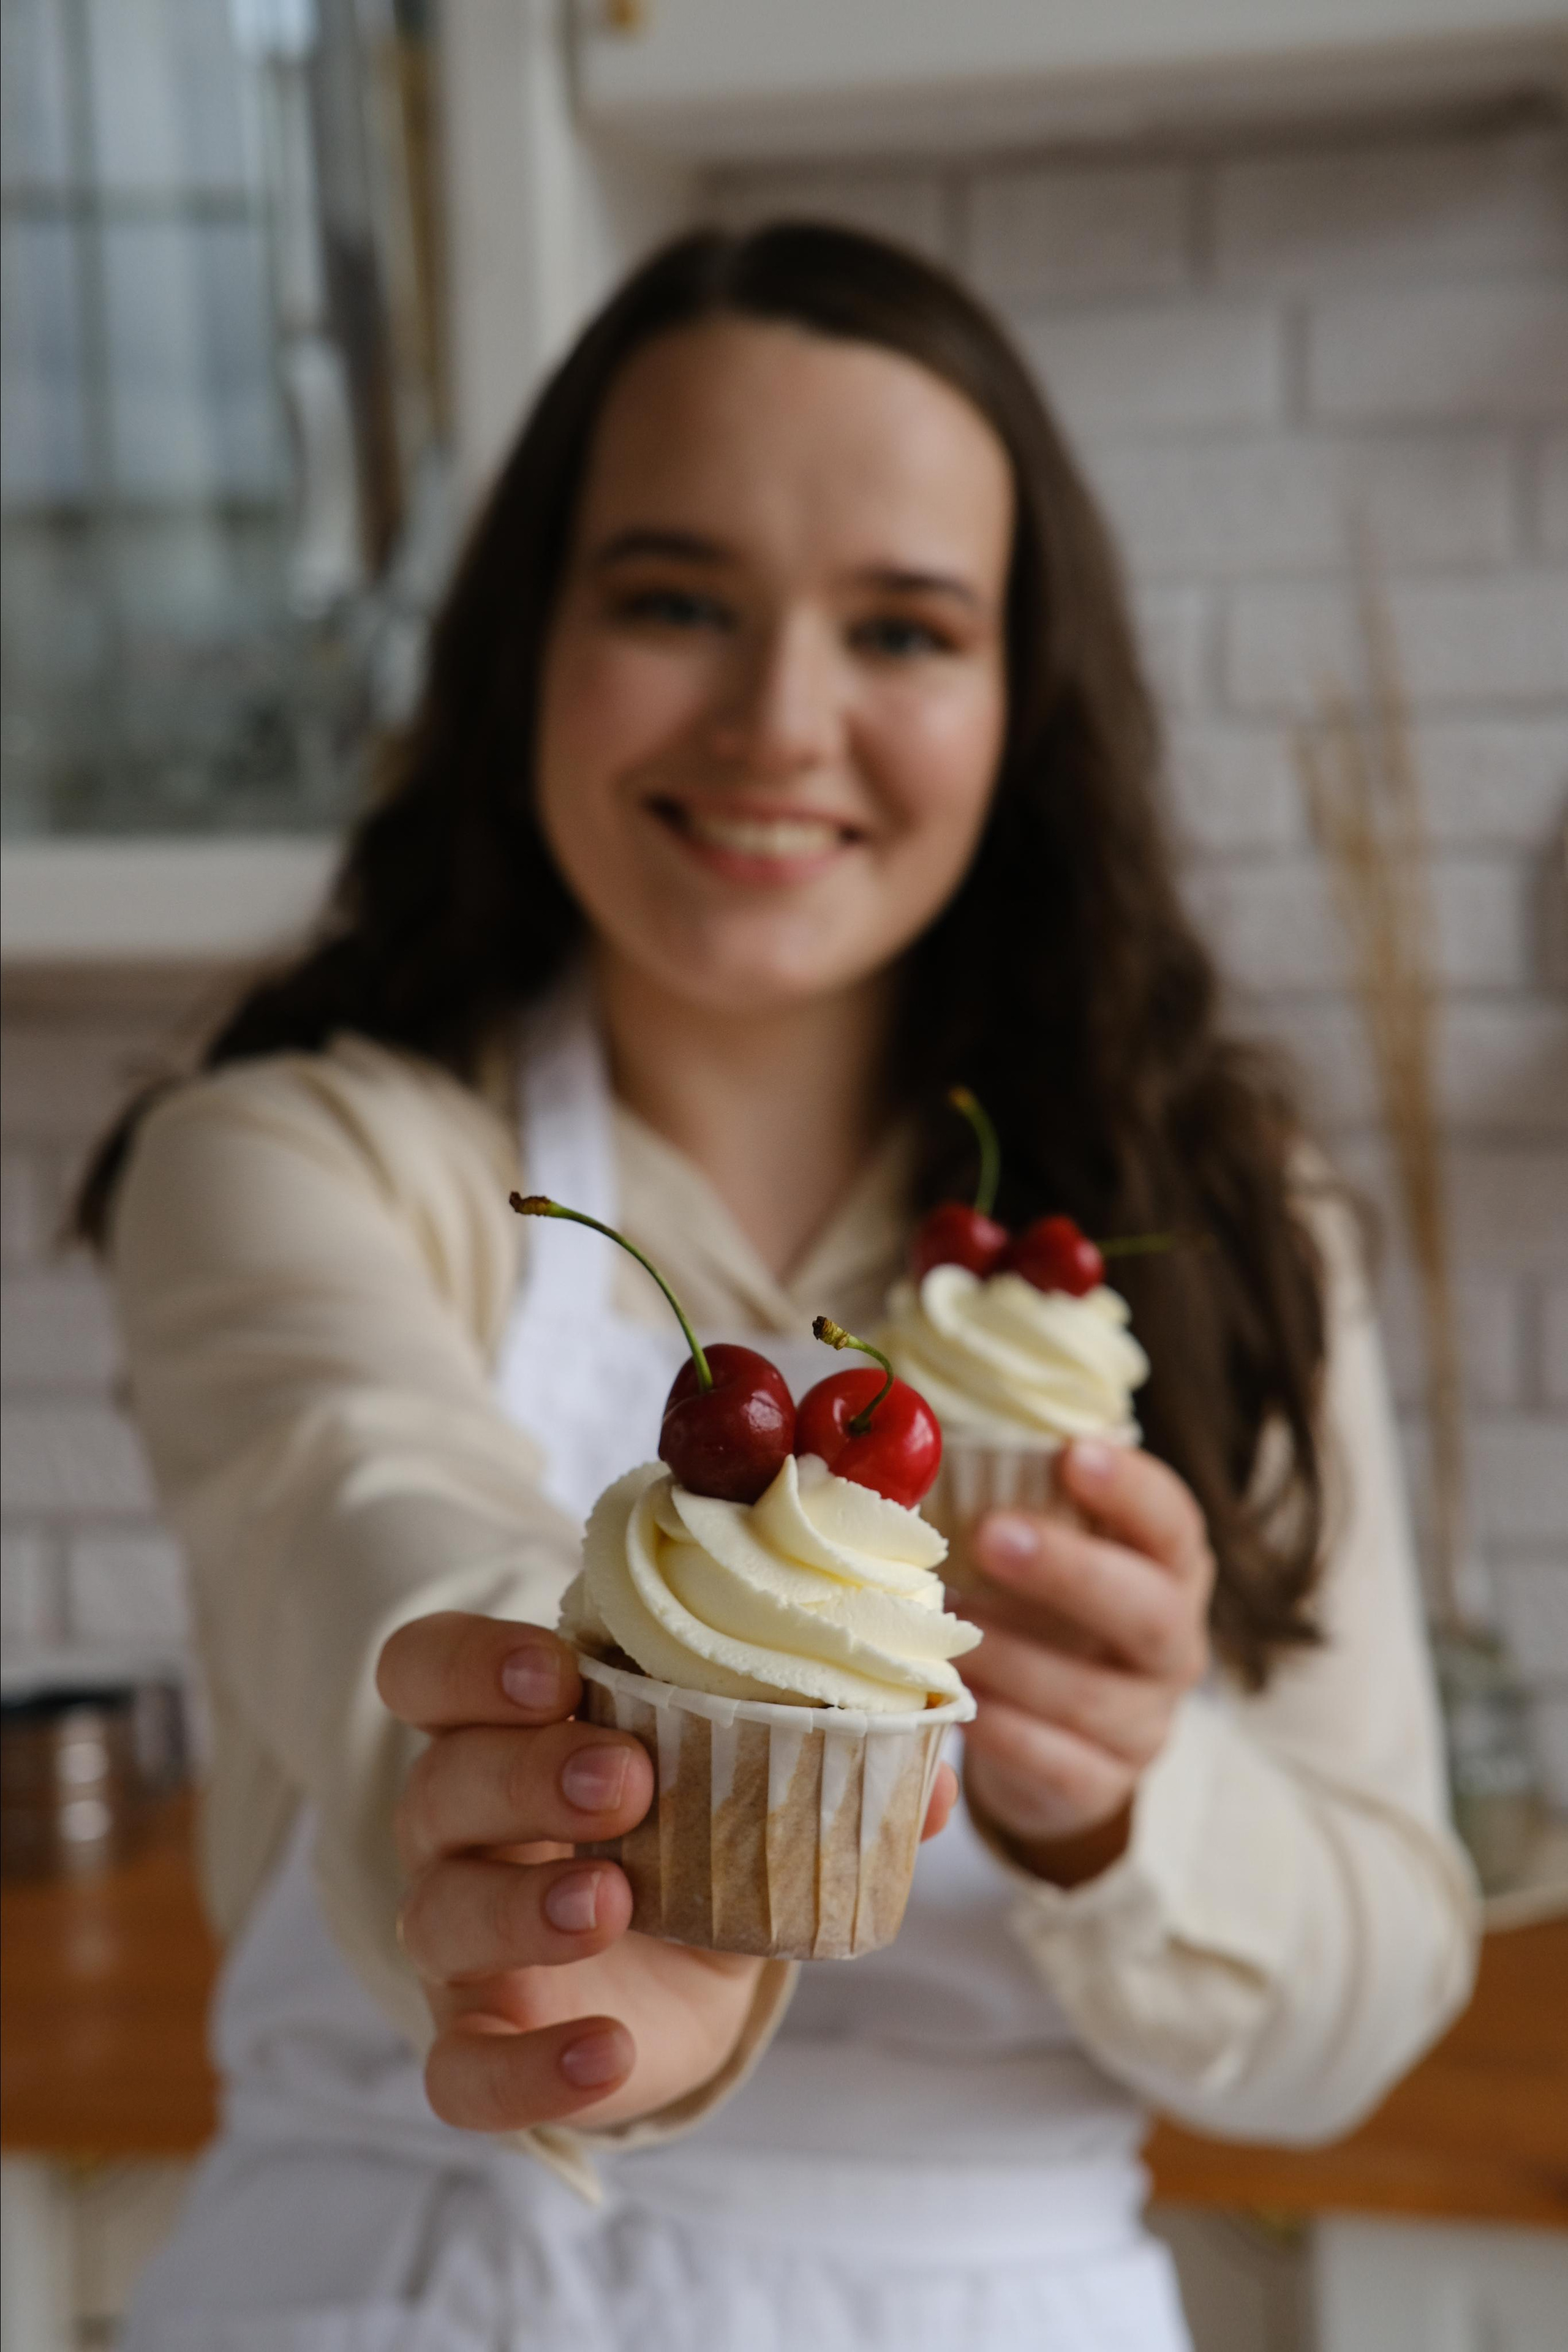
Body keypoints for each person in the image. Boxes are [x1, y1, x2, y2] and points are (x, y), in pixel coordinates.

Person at [84, 224, 1477, 2351]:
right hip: (398, 2279)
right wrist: (556, 1864)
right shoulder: (300, 1162)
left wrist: (1121, 1806)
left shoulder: (1220, 1232)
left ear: (1021, 705)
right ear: (525, 646)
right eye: (674, 601)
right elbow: (377, 1526)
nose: (779, 722)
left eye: (902, 629)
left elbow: (1368, 1993)